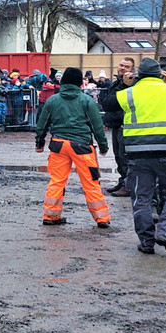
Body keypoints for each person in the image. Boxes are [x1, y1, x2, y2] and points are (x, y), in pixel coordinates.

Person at [103, 58, 166, 255]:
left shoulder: (128, 93)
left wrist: (123, 84)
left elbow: (108, 104)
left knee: (141, 198)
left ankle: (146, 242)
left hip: (138, 154)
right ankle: (165, 231)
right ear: (160, 74)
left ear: (138, 75)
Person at [35, 67, 111, 228]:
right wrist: (103, 146)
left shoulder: (53, 100)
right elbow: (97, 126)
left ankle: (50, 215)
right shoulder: (87, 101)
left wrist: (39, 143)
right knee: (91, 182)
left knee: (57, 181)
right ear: (80, 83)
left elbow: (42, 123)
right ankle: (102, 218)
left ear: (63, 82)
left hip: (58, 145)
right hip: (82, 145)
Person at [102, 57, 136, 197]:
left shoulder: (131, 84)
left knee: (124, 157)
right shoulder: (117, 82)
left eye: (126, 66)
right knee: (118, 156)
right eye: (121, 65)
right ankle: (123, 182)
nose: (122, 68)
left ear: (132, 69)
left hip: (125, 125)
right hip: (116, 124)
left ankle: (128, 186)